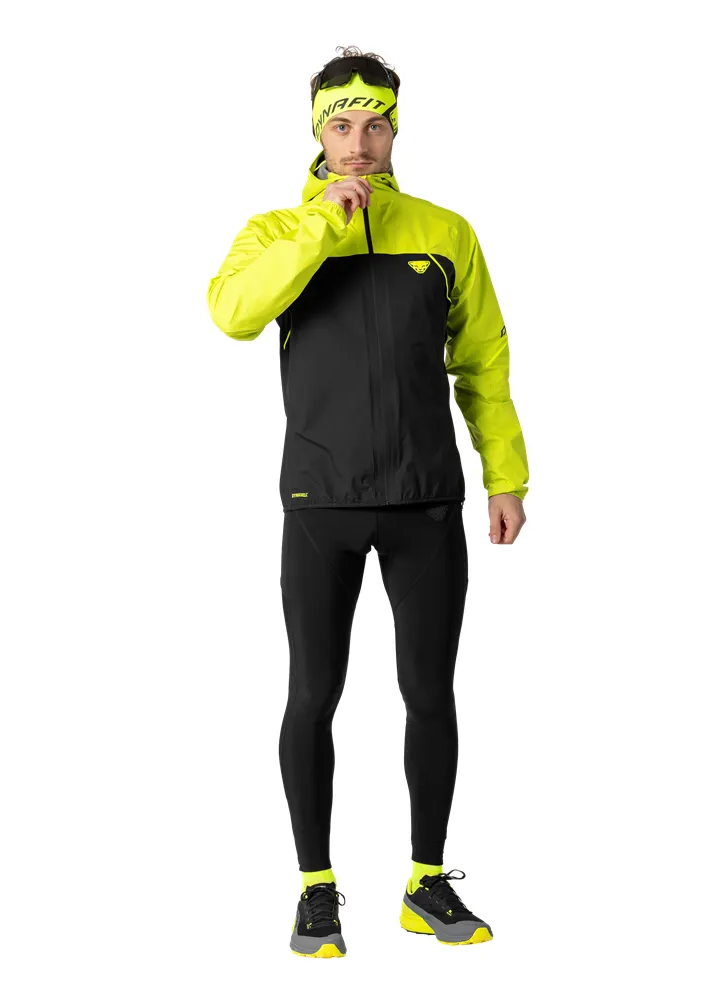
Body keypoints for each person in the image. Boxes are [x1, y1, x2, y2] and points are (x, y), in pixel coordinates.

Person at [207, 46, 529, 957]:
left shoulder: (446, 231)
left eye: (375, 125)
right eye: (341, 126)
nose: (358, 143)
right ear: (317, 131)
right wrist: (323, 225)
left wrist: (506, 475)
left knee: (430, 693)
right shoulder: (276, 231)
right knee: (313, 693)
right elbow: (232, 314)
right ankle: (316, 891)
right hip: (322, 503)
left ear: (396, 130)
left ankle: (426, 883)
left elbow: (484, 361)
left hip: (426, 502)